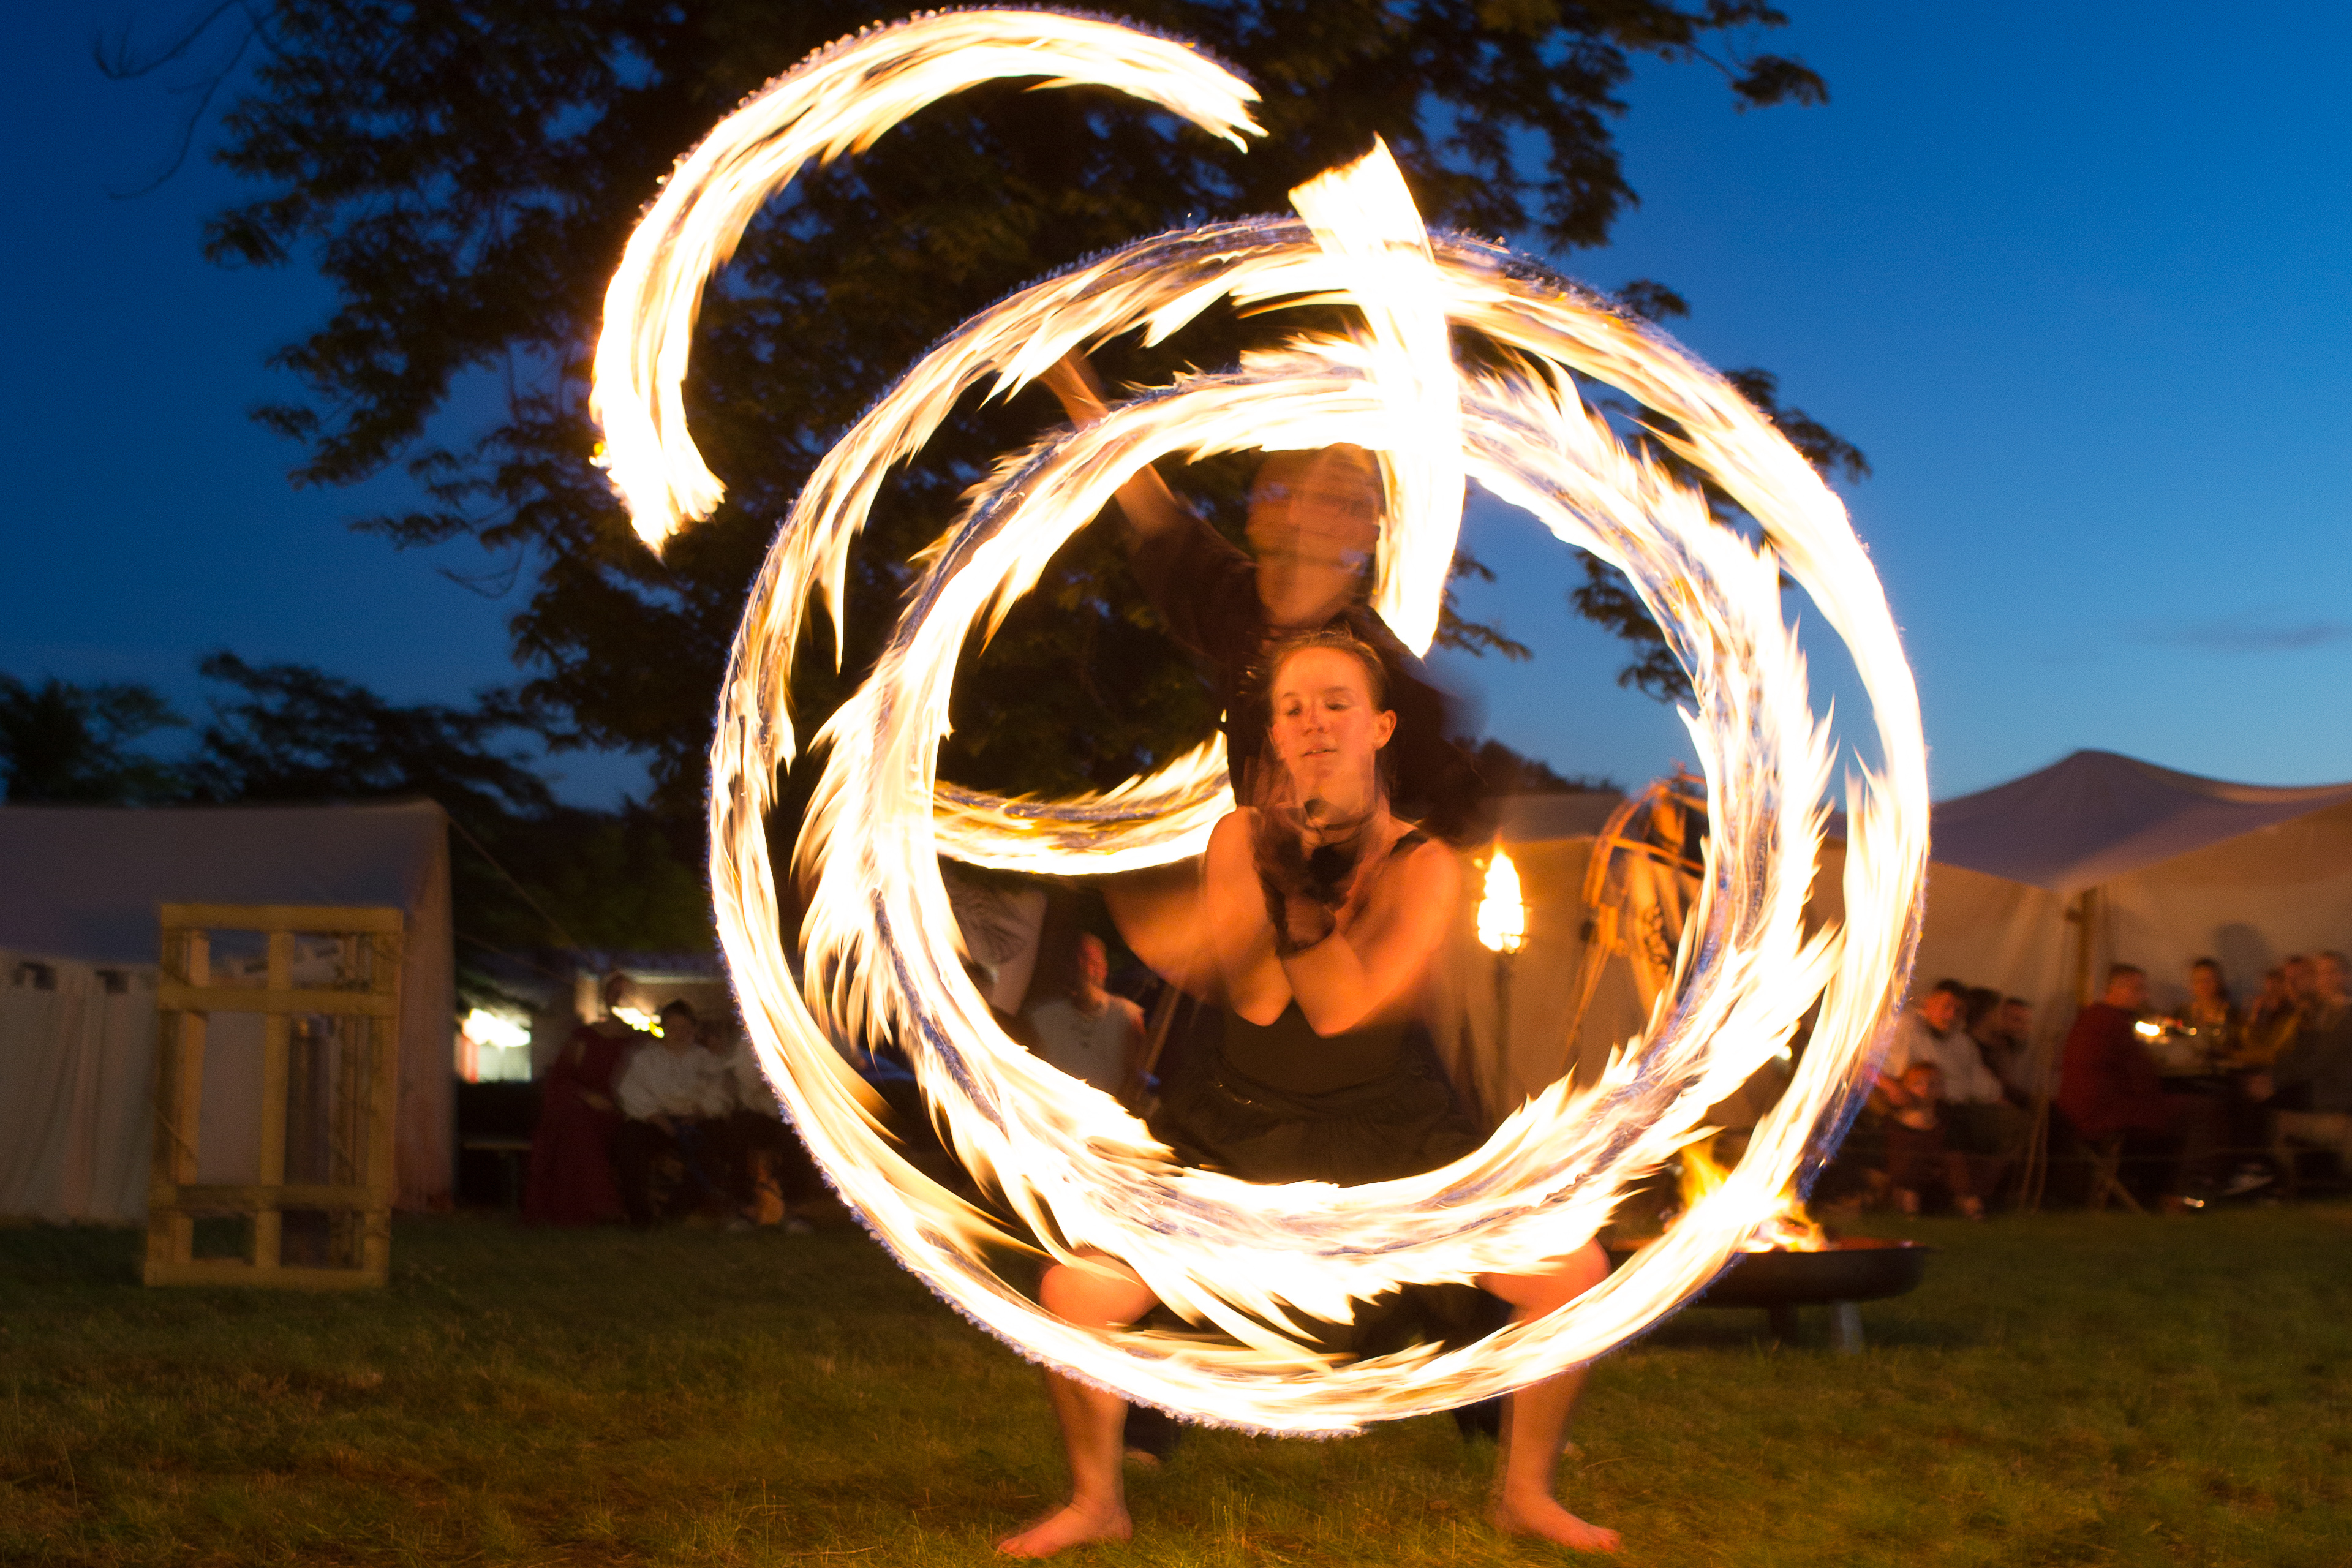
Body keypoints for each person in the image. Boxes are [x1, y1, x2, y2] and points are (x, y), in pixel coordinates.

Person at [995, 631, 1617, 1558]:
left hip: (1395, 1144)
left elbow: (1342, 1011)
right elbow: (1257, 998)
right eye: (1292, 709)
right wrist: (1278, 862)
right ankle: (1097, 1503)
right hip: (1237, 1134)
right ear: (1275, 738)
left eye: (1335, 703)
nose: (1314, 723)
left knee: (1573, 1275)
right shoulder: (1237, 837)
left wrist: (1293, 885)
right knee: (1075, 1293)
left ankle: (1524, 1494)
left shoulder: (1425, 865)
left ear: (1381, 726)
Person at [1039, 353, 1482, 841]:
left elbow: (1460, 817)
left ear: (1363, 534)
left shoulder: (1380, 675)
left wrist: (1363, 862)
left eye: (1346, 500)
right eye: (1276, 490)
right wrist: (1074, 389)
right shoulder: (1236, 607)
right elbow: (1154, 512)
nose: (1286, 504)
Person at [2057, 965, 2227, 1206]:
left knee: (2179, 1109)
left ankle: (2161, 1190)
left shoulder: (2091, 1017)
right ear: (2116, 989)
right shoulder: (2112, 1023)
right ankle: (2185, 1193)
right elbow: (2141, 1078)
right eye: (2137, 989)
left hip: (2080, 1110)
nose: (2144, 996)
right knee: (2202, 1110)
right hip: (2104, 1113)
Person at [1879, 979, 2023, 1194]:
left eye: (1958, 1010)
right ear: (1929, 1003)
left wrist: (2005, 1105)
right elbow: (1866, 1065)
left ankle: (1992, 1192)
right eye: (1946, 1007)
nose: (1950, 1015)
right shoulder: (1904, 1028)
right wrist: (1890, 1087)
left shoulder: (1963, 1043)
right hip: (1922, 1106)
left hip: (1961, 1107)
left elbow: (1981, 1084)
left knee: (2016, 1123)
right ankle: (1961, 1195)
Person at [521, 973, 637, 1226]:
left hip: (624, 1107)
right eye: (614, 992)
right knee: (574, 1125)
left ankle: (598, 1206)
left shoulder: (638, 1041)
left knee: (583, 1127)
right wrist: (587, 1097)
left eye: (624, 993)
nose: (618, 997)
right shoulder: (586, 1037)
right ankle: (587, 1208)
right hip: (584, 1105)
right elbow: (562, 1076)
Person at [613, 1000, 734, 1226]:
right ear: (664, 1028)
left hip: (695, 1121)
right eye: (674, 1028)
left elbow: (719, 1092)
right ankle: (640, 1214)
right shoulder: (647, 1059)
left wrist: (699, 1113)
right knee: (629, 1140)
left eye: (685, 1028)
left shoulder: (705, 1060)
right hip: (654, 1121)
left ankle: (677, 1210)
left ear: (693, 1029)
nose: (679, 1034)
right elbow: (632, 1092)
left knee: (715, 1143)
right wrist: (656, 1118)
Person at [2249, 951, 2352, 1174]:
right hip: (2318, 1092)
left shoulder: (2346, 1013)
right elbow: (2297, 1055)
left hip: (2337, 1099)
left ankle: (2264, 1173)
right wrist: (2270, 1077)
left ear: (2346, 976)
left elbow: (2320, 1058)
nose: (2326, 979)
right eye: (2321, 974)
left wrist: (2274, 1081)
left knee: (2260, 1110)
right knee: (2251, 1097)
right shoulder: (2321, 1011)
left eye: (2333, 972)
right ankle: (2263, 1173)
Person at [1024, 933, 1148, 1101]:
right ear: (1070, 967)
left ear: (1105, 970)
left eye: (1095, 963)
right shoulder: (1044, 1017)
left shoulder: (1126, 1016)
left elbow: (1136, 1077)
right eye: (1081, 962)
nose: (1087, 971)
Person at [1879, 1061, 1985, 1219]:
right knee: (1912, 1159)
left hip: (1938, 1181)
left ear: (1942, 1089)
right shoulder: (1895, 1121)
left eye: (1933, 1084)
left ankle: (1970, 1204)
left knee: (1955, 1160)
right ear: (1905, 1088)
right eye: (1918, 1084)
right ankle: (1909, 1210)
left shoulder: (1946, 1120)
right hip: (1907, 1182)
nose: (1926, 1088)